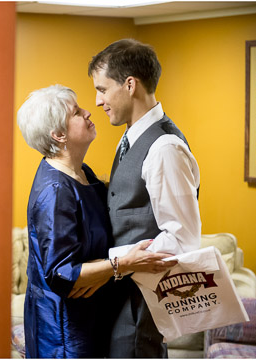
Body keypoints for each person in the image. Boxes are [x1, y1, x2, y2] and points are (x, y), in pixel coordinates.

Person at [17, 84, 177, 358]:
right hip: (65, 333)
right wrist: (122, 264)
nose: (89, 112)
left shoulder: (82, 173)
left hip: (91, 317)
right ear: (59, 135)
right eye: (77, 112)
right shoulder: (54, 192)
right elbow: (61, 275)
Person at [88, 39, 202, 358]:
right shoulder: (128, 139)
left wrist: (113, 261)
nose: (98, 101)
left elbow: (183, 240)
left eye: (102, 89)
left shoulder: (164, 148)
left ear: (129, 85)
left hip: (141, 310)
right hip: (119, 303)